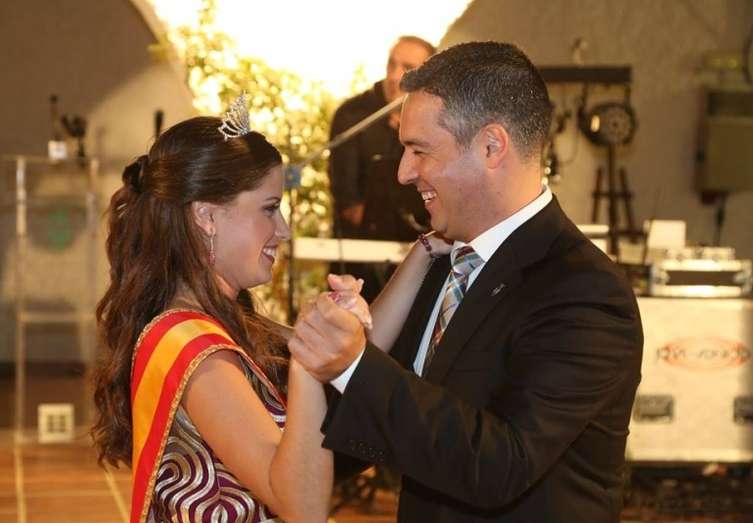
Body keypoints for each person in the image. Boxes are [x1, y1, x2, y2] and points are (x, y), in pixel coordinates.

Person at [289, 41, 644, 523]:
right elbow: (401, 428)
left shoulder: (585, 292)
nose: (403, 173)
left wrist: (354, 364)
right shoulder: (444, 262)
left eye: (419, 150)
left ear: (491, 146)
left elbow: (502, 465)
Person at [91, 110, 334, 523]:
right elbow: (303, 506)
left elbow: (351, 354)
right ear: (206, 216)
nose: (283, 229)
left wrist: (426, 250)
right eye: (270, 208)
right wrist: (308, 364)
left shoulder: (204, 318)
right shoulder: (198, 351)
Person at [329, 35, 435, 302]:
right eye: (391, 64)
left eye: (407, 68)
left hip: (424, 258)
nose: (394, 76)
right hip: (360, 266)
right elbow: (348, 202)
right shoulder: (353, 115)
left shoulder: (436, 120)